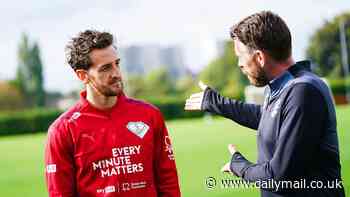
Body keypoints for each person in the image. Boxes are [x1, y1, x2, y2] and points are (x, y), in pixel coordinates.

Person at [185, 11, 345, 197]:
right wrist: (217, 103)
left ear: (260, 57)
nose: (239, 64)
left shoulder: (303, 91)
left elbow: (279, 177)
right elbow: (269, 117)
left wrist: (240, 166)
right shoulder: (284, 87)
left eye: (240, 55)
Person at [45, 30, 181, 197]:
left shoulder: (149, 115)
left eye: (117, 63)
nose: (116, 73)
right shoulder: (63, 130)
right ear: (83, 75)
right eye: (106, 68)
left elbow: (168, 183)